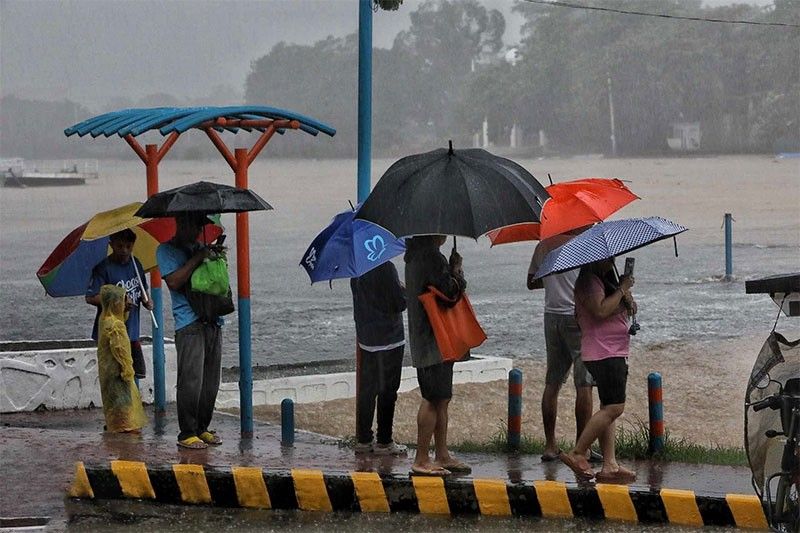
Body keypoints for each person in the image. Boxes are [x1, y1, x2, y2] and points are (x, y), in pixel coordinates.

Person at [559, 258, 637, 483]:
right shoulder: (588, 282)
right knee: (615, 407)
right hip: (603, 352)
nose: (612, 260)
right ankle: (578, 452)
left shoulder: (607, 280)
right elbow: (600, 310)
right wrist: (621, 289)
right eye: (608, 257)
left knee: (607, 407)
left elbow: (626, 310)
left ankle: (610, 465)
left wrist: (626, 295)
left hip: (614, 350)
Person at [528, 231, 599, 463]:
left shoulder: (544, 246)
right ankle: (582, 447)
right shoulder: (584, 244)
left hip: (552, 316)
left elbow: (531, 282)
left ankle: (550, 446)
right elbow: (592, 284)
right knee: (584, 383)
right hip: (576, 315)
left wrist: (553, 281)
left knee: (553, 382)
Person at [404, 235, 471, 476]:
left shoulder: (414, 257)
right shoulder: (430, 257)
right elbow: (450, 292)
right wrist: (457, 271)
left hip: (430, 338)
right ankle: (421, 458)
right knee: (432, 398)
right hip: (434, 338)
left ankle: (442, 453)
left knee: (441, 398)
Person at [157, 213, 223, 450]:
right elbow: (174, 281)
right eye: (193, 224)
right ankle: (187, 432)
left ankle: (202, 428)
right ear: (181, 223)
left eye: (199, 225)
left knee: (210, 382)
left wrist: (214, 257)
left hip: (212, 320)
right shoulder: (166, 251)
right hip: (189, 323)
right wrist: (197, 258)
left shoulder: (202, 248)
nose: (196, 230)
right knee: (191, 381)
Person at [350, 261, 408, 456]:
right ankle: (385, 441)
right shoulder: (386, 267)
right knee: (388, 391)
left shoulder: (357, 270)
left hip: (367, 338)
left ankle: (364, 439)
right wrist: (403, 290)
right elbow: (398, 304)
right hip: (389, 338)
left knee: (368, 390)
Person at [86, 229, 153, 382]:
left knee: (135, 374)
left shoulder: (136, 264)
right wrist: (118, 301)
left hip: (132, 332)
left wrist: (148, 301)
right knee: (116, 379)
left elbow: (143, 290)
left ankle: (133, 404)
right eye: (120, 246)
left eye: (128, 246)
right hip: (111, 334)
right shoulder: (103, 268)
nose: (124, 250)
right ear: (112, 245)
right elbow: (90, 297)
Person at [96, 284, 147, 433]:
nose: (129, 303)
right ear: (116, 302)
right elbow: (121, 352)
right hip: (118, 376)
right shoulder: (115, 325)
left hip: (107, 374)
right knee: (125, 413)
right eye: (125, 300)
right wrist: (127, 372)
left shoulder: (104, 319)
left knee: (113, 408)